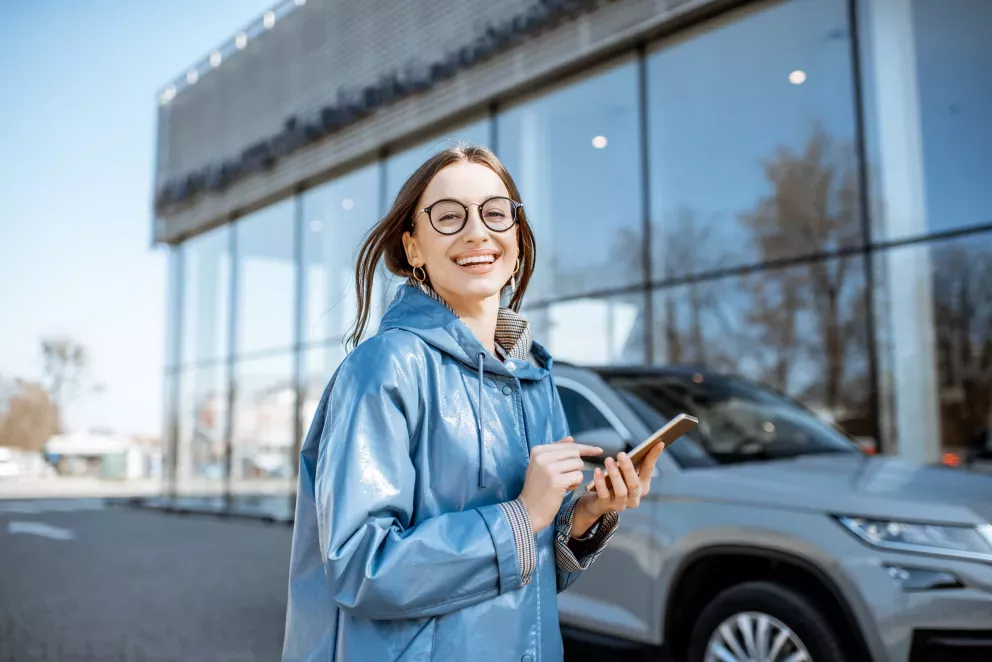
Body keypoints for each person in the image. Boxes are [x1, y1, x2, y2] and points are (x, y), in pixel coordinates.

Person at [282, 145, 666, 662]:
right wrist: (522, 515)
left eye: (494, 212)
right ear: (413, 247)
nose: (476, 232)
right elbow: (360, 567)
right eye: (448, 216)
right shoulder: (385, 367)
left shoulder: (535, 378)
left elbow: (525, 578)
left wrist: (584, 515)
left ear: (516, 234)